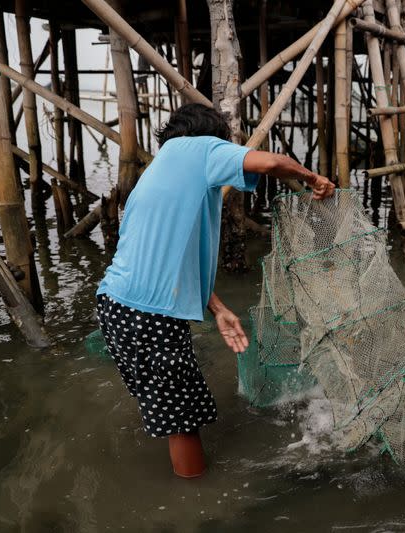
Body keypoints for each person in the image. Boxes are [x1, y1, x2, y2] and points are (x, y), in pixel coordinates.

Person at [95, 103, 335, 478]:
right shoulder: (199, 148)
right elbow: (271, 163)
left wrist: (218, 308)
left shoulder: (160, 168)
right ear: (213, 137)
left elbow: (167, 262)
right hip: (148, 316)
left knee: (167, 408)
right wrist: (312, 178)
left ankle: (182, 487)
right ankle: (196, 501)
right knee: (181, 419)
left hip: (115, 307)